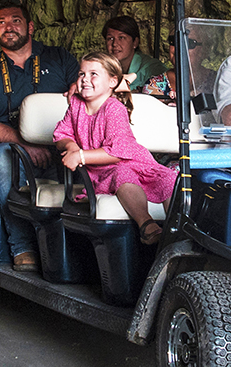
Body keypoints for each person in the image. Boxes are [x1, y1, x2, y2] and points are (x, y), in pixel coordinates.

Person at [0, 0, 80, 271]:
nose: (9, 27)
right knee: (2, 159)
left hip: (61, 140)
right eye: (2, 23)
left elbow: (82, 92)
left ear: (30, 27)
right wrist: (25, 145)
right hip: (14, 146)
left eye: (15, 21)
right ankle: (22, 246)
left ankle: (74, 245)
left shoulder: (59, 58)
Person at [54, 52, 178, 245]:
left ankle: (176, 230)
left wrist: (80, 156)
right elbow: (62, 134)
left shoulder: (114, 108)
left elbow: (118, 152)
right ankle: (146, 225)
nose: (85, 79)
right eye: (81, 74)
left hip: (135, 162)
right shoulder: (76, 105)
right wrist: (71, 147)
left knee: (168, 178)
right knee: (122, 174)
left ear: (112, 82)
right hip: (106, 172)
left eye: (93, 74)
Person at [102, 15, 167, 92]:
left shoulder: (152, 69)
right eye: (110, 38)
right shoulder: (101, 69)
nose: (115, 44)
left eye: (121, 38)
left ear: (135, 42)